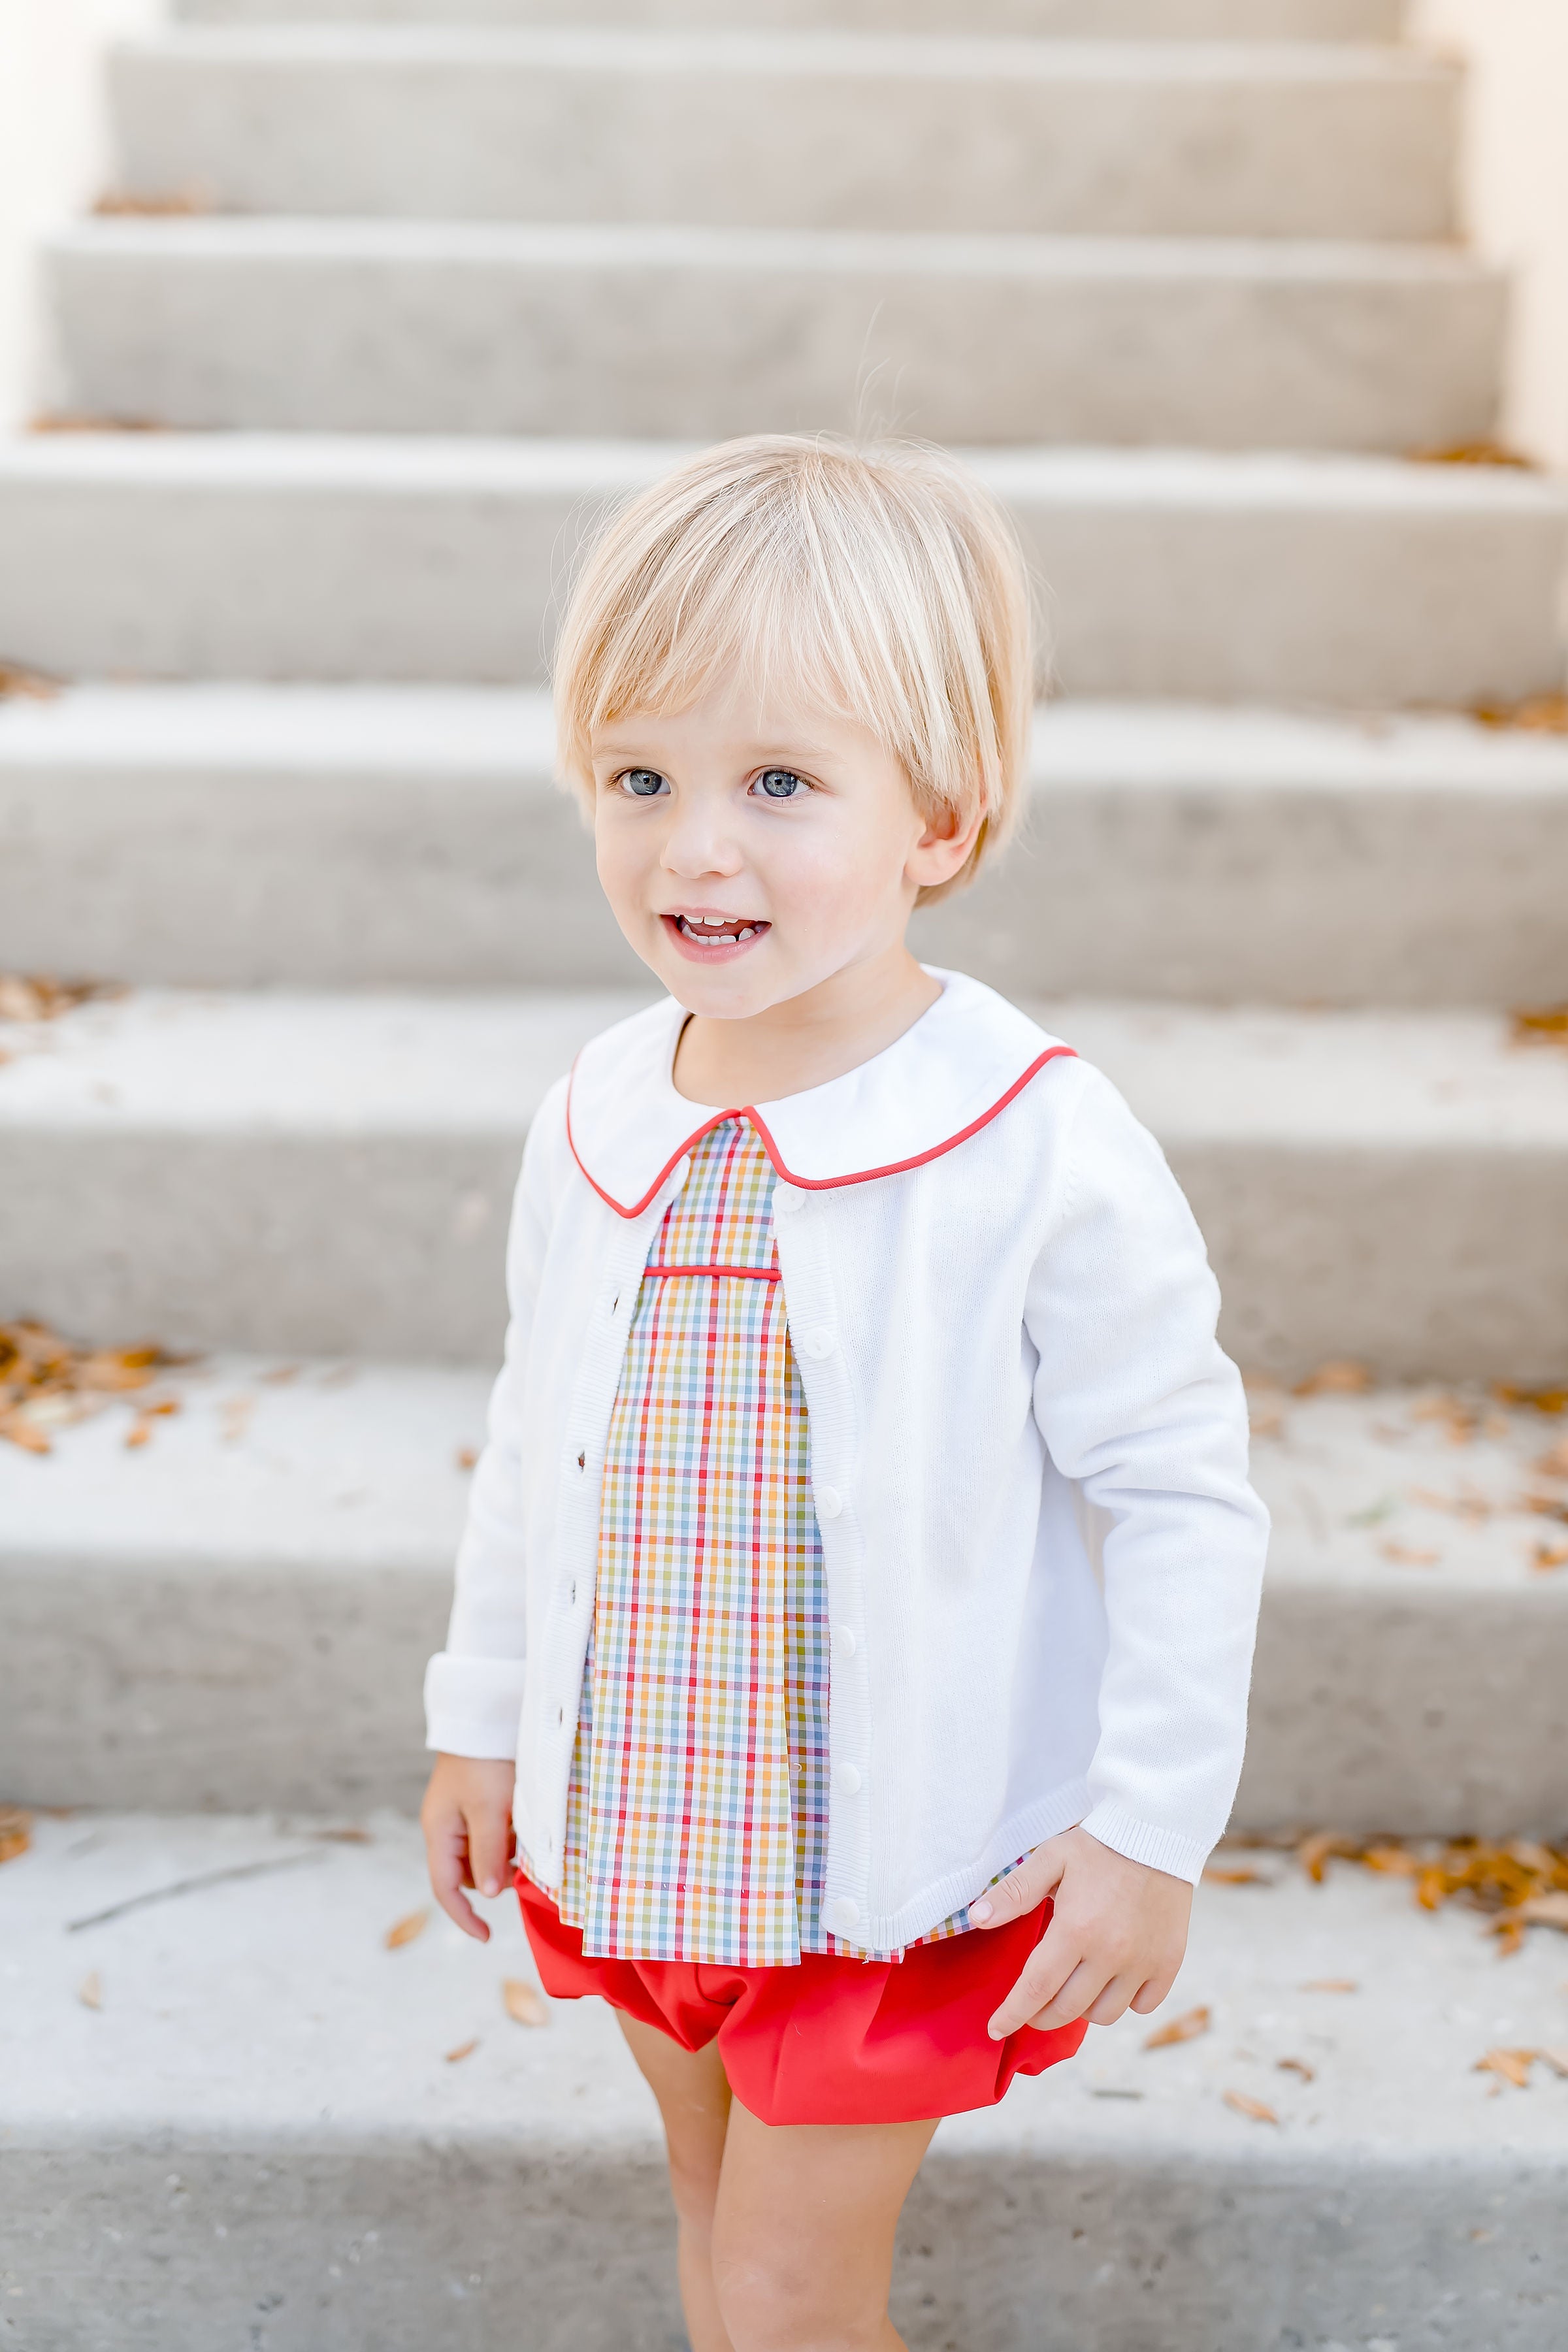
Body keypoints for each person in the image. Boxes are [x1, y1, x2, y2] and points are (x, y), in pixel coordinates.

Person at [420, 433, 1268, 2351]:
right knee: (724, 2253)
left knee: (800, 2298)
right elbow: (531, 1451)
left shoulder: (1027, 1137)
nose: (694, 846)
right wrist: (481, 1719)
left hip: (880, 1867)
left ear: (941, 826)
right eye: (641, 778)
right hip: (651, 1823)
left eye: (781, 783)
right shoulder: (605, 1110)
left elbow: (1180, 1488)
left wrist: (1149, 1826)